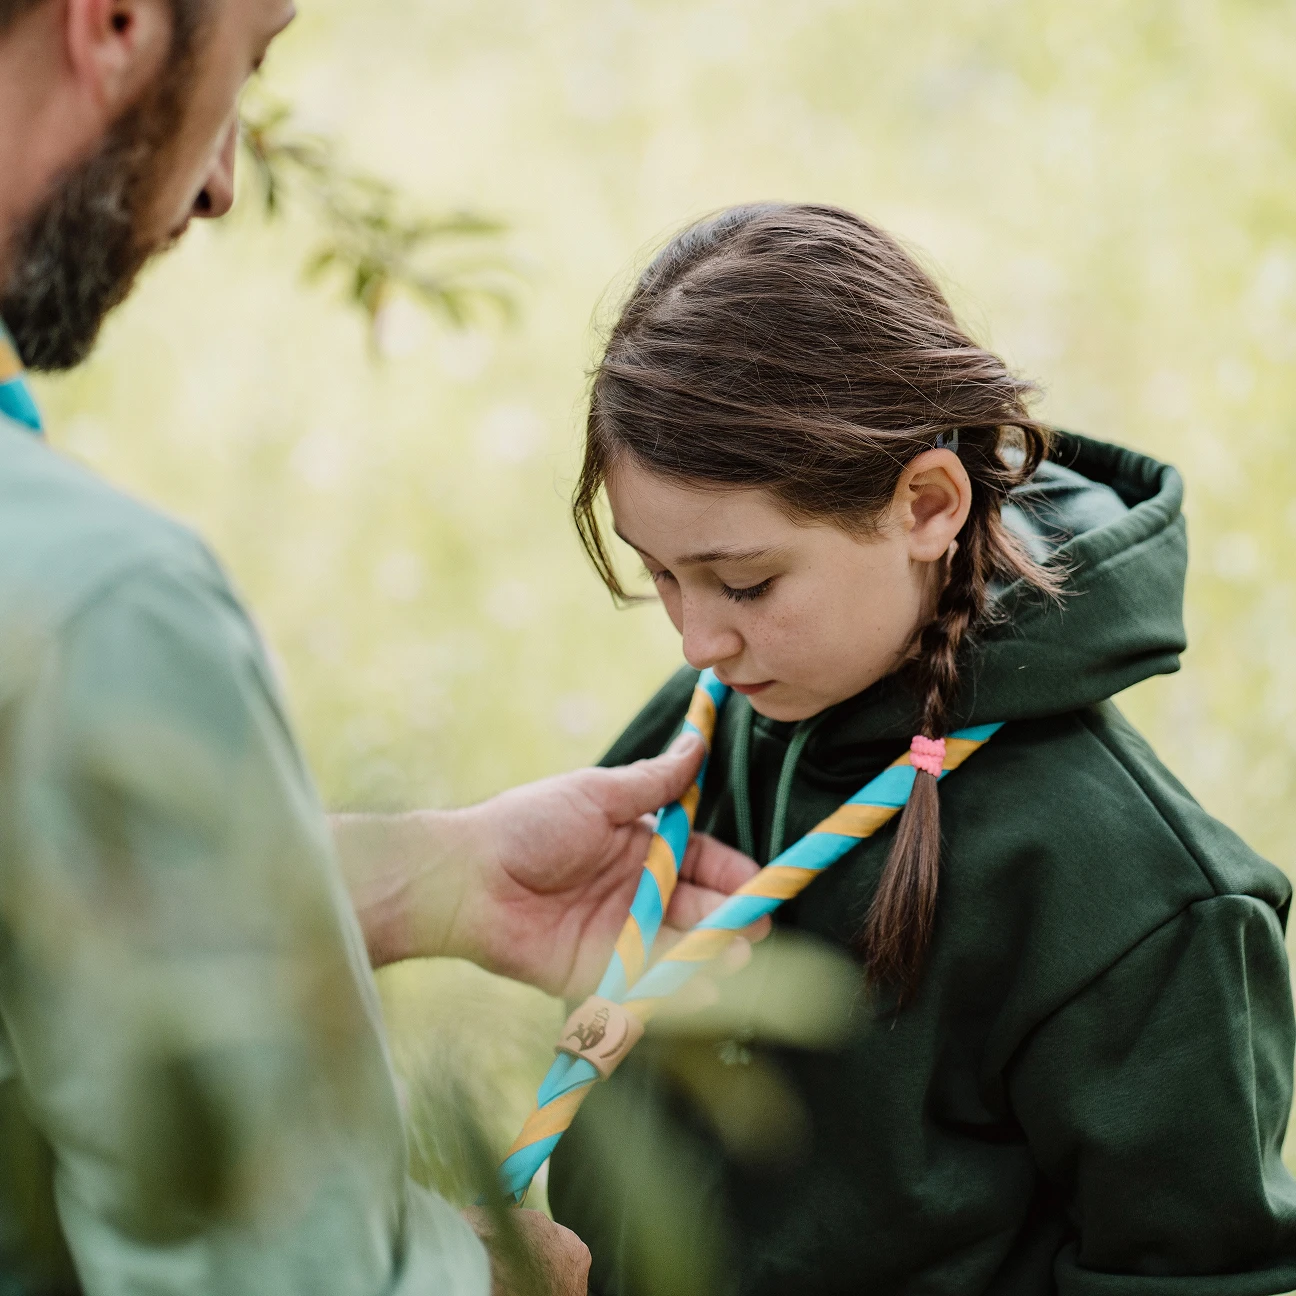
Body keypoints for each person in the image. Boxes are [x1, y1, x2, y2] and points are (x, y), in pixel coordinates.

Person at [0, 3, 765, 1294]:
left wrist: (426, 876)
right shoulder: (93, 607)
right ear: (115, 24)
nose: (226, 182)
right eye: (244, 62)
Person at [547, 203, 1296, 1295]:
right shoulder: (709, 728)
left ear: (929, 505)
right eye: (661, 573)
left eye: (746, 583)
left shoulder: (1141, 904)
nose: (697, 639)